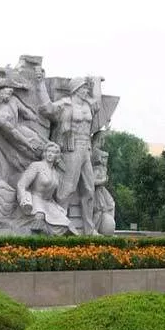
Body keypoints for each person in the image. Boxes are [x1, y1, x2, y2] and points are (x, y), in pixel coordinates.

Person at [36, 73, 102, 235]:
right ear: (76, 90)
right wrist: (40, 83)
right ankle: (60, 224)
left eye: (87, 89)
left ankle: (89, 229)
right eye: (84, 88)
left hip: (86, 148)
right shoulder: (65, 104)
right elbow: (47, 108)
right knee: (67, 188)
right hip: (71, 149)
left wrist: (97, 81)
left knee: (89, 189)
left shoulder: (88, 105)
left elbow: (98, 102)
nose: (86, 91)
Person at [16, 142, 76, 235]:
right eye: (48, 151)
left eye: (53, 152)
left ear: (57, 156)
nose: (50, 154)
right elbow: (21, 185)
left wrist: (58, 207)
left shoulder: (56, 173)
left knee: (67, 226)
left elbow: (52, 195)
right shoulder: (36, 166)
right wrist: (24, 201)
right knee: (40, 218)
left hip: (48, 203)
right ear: (45, 153)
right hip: (35, 199)